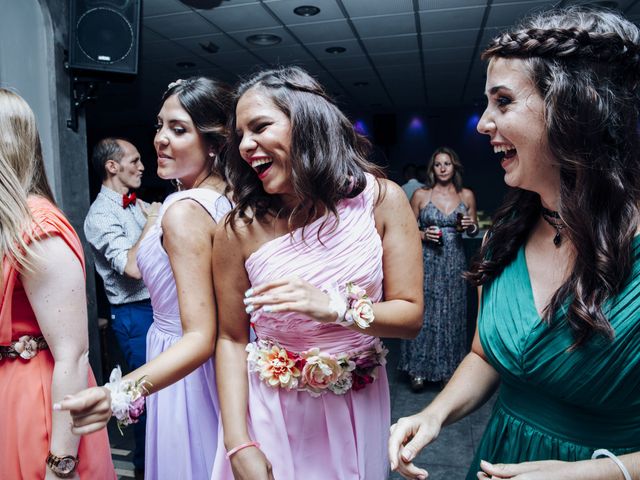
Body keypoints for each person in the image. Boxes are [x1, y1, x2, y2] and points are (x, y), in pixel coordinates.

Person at [389, 6, 640, 480]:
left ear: (575, 107)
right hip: (497, 457)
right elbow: (485, 356)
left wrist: (590, 474)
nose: (483, 124)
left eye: (503, 102)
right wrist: (433, 414)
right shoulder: (504, 236)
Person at [212, 66, 423, 480]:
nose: (246, 145)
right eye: (240, 136)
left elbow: (410, 316)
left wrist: (335, 308)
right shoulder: (237, 230)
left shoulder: (381, 200)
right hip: (274, 410)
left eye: (259, 127)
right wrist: (237, 442)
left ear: (306, 121)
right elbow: (231, 338)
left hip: (358, 402)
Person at [58, 77, 233, 479]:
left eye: (178, 129)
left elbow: (198, 334)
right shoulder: (220, 199)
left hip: (186, 363)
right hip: (195, 352)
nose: (160, 140)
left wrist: (115, 393)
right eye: (159, 126)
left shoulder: (185, 210)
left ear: (214, 143)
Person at [0, 88, 115, 479]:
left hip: (38, 405)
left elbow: (73, 354)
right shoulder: (8, 226)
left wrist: (61, 464)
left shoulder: (39, 228)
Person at [84, 137, 160, 475]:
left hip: (160, 310)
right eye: (135, 160)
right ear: (112, 166)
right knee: (148, 402)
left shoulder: (136, 205)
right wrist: (152, 222)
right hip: (133, 316)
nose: (142, 166)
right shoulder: (99, 216)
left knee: (168, 399)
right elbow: (132, 268)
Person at [399, 146, 478, 391]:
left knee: (452, 314)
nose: (443, 168)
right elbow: (406, 231)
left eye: (447, 163)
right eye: (438, 164)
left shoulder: (466, 196)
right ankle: (418, 370)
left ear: (455, 167)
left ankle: (448, 369)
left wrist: (469, 227)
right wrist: (423, 234)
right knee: (425, 314)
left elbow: (474, 227)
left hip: (454, 261)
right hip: (427, 262)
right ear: (432, 169)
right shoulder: (421, 196)